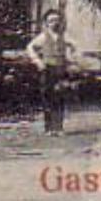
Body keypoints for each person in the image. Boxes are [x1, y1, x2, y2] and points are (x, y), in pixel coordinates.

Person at [26, 8, 76, 136]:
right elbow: (30, 47)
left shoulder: (64, 36)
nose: (54, 23)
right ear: (46, 23)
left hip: (61, 69)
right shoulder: (43, 37)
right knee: (48, 98)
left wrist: (70, 58)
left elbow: (73, 46)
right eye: (51, 21)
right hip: (48, 69)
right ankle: (49, 128)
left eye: (57, 20)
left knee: (60, 98)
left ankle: (59, 127)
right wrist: (37, 61)